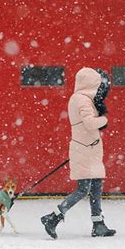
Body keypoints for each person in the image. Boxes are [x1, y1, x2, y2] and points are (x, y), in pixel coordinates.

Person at [40, 67, 116, 239]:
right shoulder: (81, 100)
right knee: (83, 189)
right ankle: (53, 217)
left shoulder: (82, 99)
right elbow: (90, 123)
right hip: (85, 150)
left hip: (90, 150)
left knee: (96, 188)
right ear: (91, 83)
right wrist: (104, 119)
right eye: (98, 84)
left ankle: (98, 224)